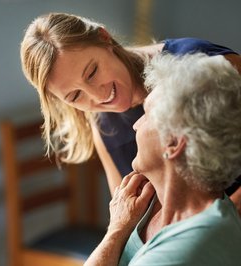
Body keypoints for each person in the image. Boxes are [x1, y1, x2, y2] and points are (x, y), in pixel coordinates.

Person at [20, 12, 241, 210]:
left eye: (92, 72)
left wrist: (219, 224)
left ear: (104, 39)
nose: (97, 96)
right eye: (75, 96)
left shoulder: (201, 63)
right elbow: (126, 212)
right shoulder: (103, 126)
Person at [84, 53, 241, 266]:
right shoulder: (148, 207)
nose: (135, 125)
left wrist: (116, 231)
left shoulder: (181, 252)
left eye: (147, 114)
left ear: (174, 143)